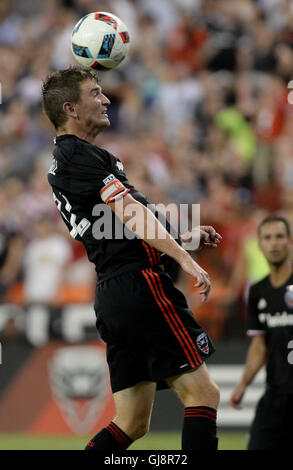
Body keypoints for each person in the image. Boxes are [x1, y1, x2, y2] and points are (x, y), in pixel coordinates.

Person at [42, 66, 221, 451]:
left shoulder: (75, 158)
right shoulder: (81, 156)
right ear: (71, 108)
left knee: (132, 422)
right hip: (140, 285)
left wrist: (182, 238)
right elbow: (130, 214)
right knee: (203, 395)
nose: (107, 99)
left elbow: (124, 221)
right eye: (95, 92)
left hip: (113, 293)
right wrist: (186, 261)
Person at [229, 214, 293, 450]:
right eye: (267, 238)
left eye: (279, 237)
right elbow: (259, 345)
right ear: (260, 244)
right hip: (275, 395)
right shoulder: (258, 291)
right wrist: (243, 384)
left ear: (290, 241)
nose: (274, 243)